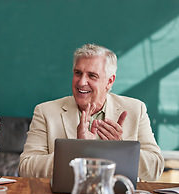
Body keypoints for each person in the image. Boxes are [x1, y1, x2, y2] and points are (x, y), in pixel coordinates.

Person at [19, 43, 164, 182]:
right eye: (78, 73)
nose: (81, 82)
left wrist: (121, 148)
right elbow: (26, 168)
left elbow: (155, 169)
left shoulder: (135, 109)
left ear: (109, 81)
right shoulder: (45, 111)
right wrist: (77, 150)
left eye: (92, 76)